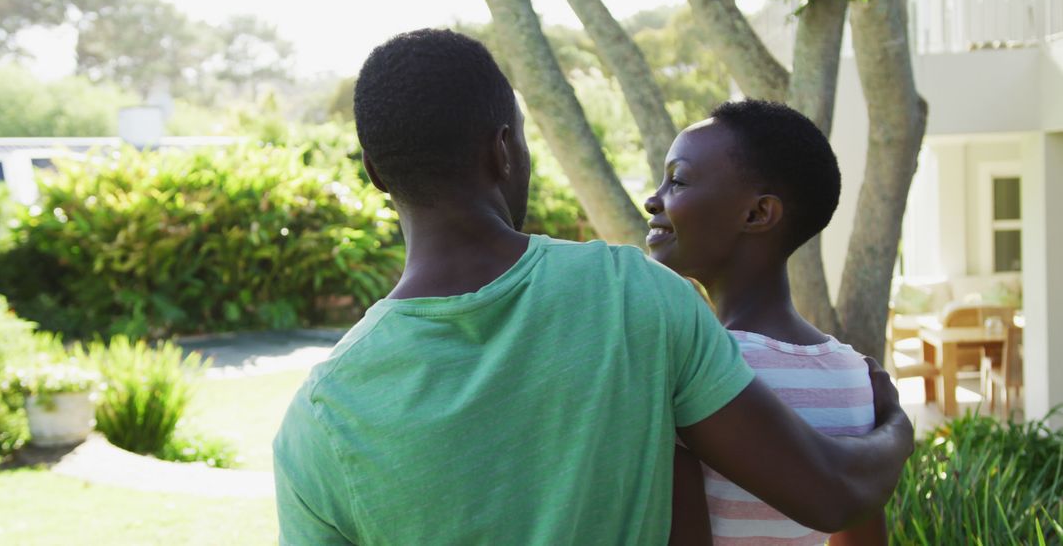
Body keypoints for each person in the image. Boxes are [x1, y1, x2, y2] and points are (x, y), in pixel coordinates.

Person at [273, 28, 911, 545]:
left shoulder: (318, 420)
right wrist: (893, 430)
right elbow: (829, 493)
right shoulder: (636, 297)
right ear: (503, 150)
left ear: (375, 174)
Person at [646, 100, 888, 545]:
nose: (652, 199)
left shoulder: (689, 370)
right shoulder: (858, 375)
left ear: (758, 214)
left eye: (677, 180)